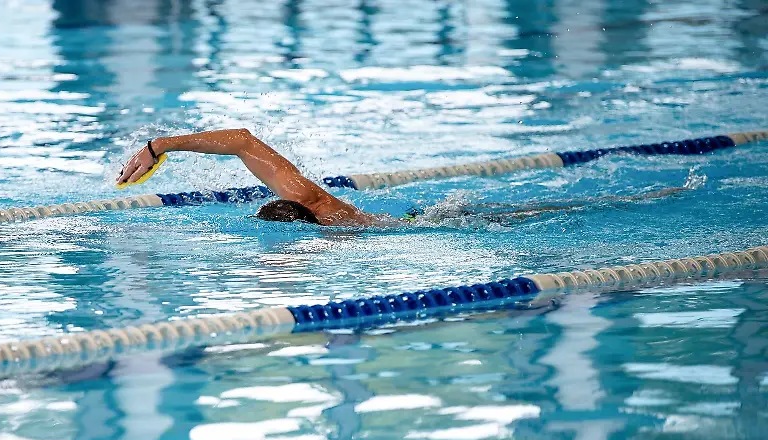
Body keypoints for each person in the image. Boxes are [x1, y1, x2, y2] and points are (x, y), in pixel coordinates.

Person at [116, 128, 687, 226]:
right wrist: (160, 146)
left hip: (437, 223)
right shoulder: (312, 208)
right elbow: (242, 142)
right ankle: (656, 192)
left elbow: (241, 139)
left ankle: (660, 191)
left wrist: (158, 145)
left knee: (561, 211)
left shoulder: (324, 211)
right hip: (420, 221)